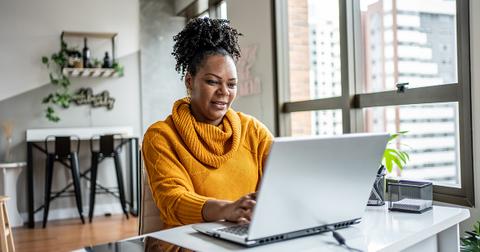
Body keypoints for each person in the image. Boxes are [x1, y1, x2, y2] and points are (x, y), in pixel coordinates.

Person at [142, 17, 273, 229]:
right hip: (189, 243)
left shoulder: (254, 131)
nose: (224, 92)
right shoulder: (161, 136)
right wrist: (227, 210)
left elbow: (283, 184)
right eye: (212, 81)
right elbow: (173, 201)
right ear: (189, 81)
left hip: (249, 237)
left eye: (231, 84)